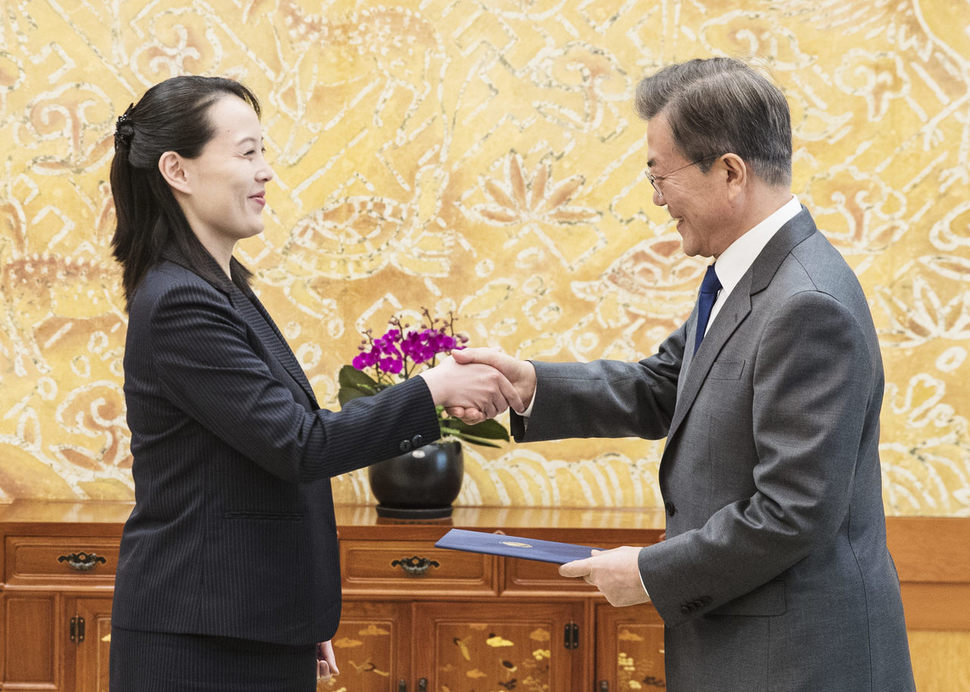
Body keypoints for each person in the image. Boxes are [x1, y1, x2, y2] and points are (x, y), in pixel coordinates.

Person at [451, 58, 915, 690]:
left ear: (729, 172)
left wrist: (650, 572)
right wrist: (530, 384)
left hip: (796, 661)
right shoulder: (749, 274)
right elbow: (666, 385)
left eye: (659, 174)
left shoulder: (807, 304)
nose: (655, 196)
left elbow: (793, 511)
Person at [107, 75, 522, 692]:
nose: (267, 171)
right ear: (178, 170)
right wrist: (431, 390)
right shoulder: (180, 303)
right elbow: (300, 445)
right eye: (247, 153)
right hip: (198, 643)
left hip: (248, 624)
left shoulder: (223, 289)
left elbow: (262, 457)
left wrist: (293, 611)